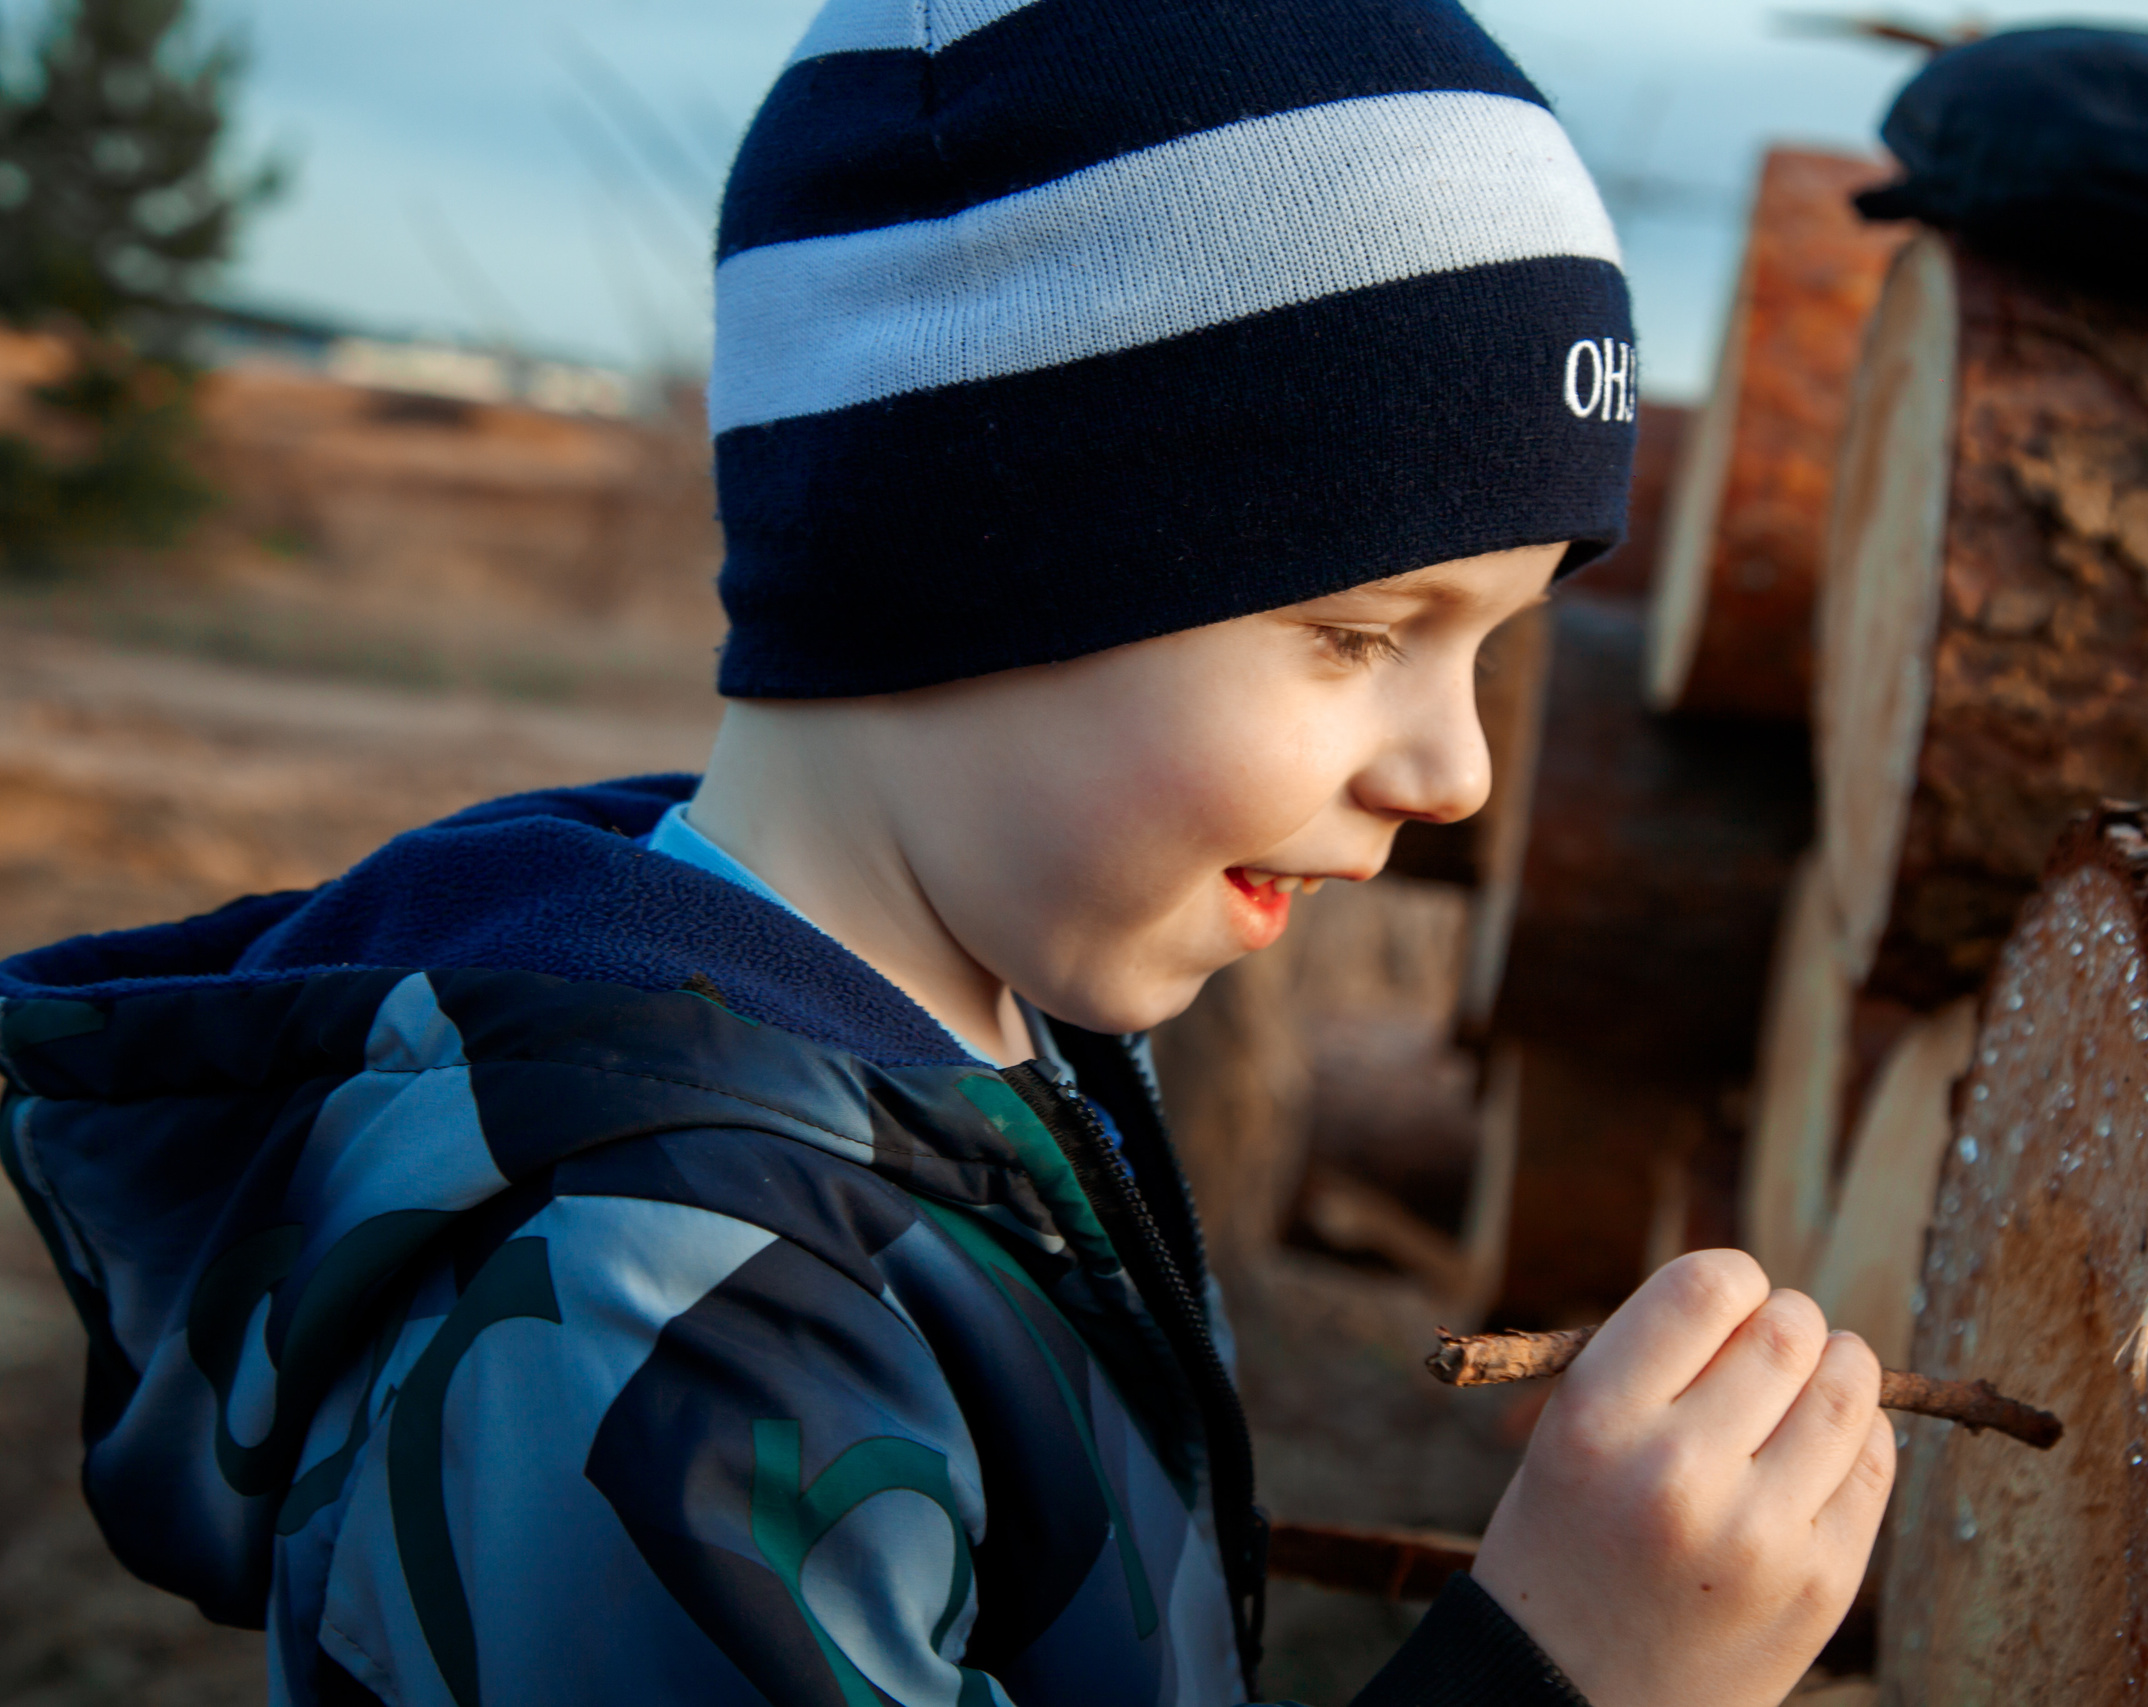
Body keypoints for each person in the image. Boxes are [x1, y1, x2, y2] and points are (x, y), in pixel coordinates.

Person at [0, 2, 1894, 1703]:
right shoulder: (661, 1321)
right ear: (962, 554)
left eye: (1499, 643)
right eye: (1359, 633)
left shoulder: (965, 1061)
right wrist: (1563, 1680)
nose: (1460, 770)